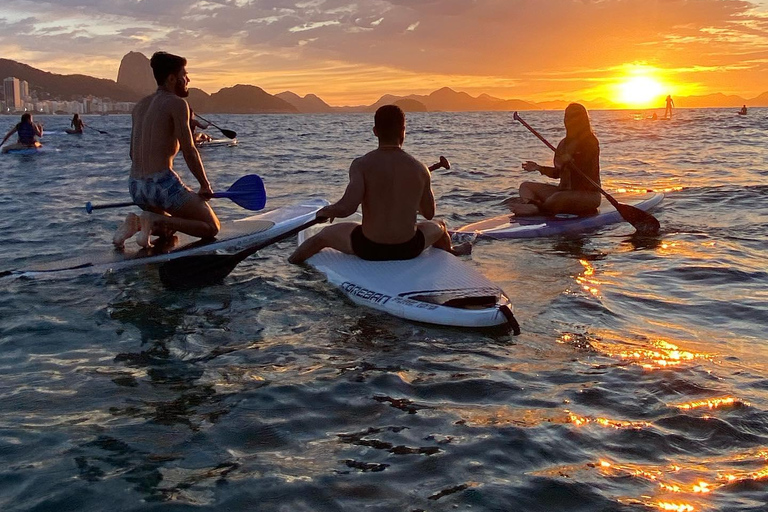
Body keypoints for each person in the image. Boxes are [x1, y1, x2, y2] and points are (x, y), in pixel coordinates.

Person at [288, 104, 470, 264]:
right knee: (440, 226)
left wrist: (327, 211)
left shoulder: (361, 164)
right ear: (403, 131)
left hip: (369, 248)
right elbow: (429, 214)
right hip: (409, 248)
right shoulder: (420, 169)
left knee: (321, 237)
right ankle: (451, 251)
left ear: (375, 131)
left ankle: (291, 262)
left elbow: (347, 208)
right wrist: (408, 203)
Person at [112, 51, 220, 249]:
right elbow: (189, 151)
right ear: (172, 79)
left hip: (135, 186)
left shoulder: (140, 106)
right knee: (211, 227)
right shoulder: (178, 103)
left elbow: (131, 154)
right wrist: (204, 185)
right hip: (161, 185)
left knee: (169, 228)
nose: (188, 79)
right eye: (184, 75)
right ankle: (152, 220)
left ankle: (136, 224)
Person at [506, 103, 601, 217]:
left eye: (573, 116)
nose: (568, 120)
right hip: (563, 192)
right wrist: (538, 167)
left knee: (558, 198)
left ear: (582, 119)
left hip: (587, 195)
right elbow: (558, 173)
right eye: (566, 116)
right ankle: (532, 205)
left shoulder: (590, 142)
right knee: (525, 186)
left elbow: (587, 170)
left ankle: (537, 209)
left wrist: (572, 161)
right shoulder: (563, 144)